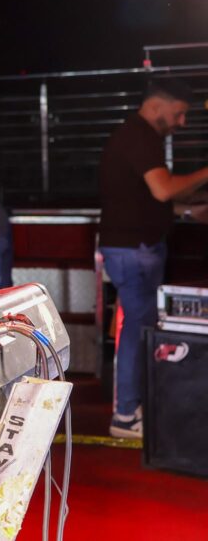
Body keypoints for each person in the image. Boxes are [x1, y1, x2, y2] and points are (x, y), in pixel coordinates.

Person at [98, 79, 208, 439]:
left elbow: (146, 199)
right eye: (179, 114)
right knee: (136, 329)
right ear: (157, 105)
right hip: (134, 251)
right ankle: (125, 415)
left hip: (136, 248)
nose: (182, 122)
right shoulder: (139, 136)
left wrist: (189, 212)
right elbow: (163, 189)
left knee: (140, 327)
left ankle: (132, 408)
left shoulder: (140, 137)